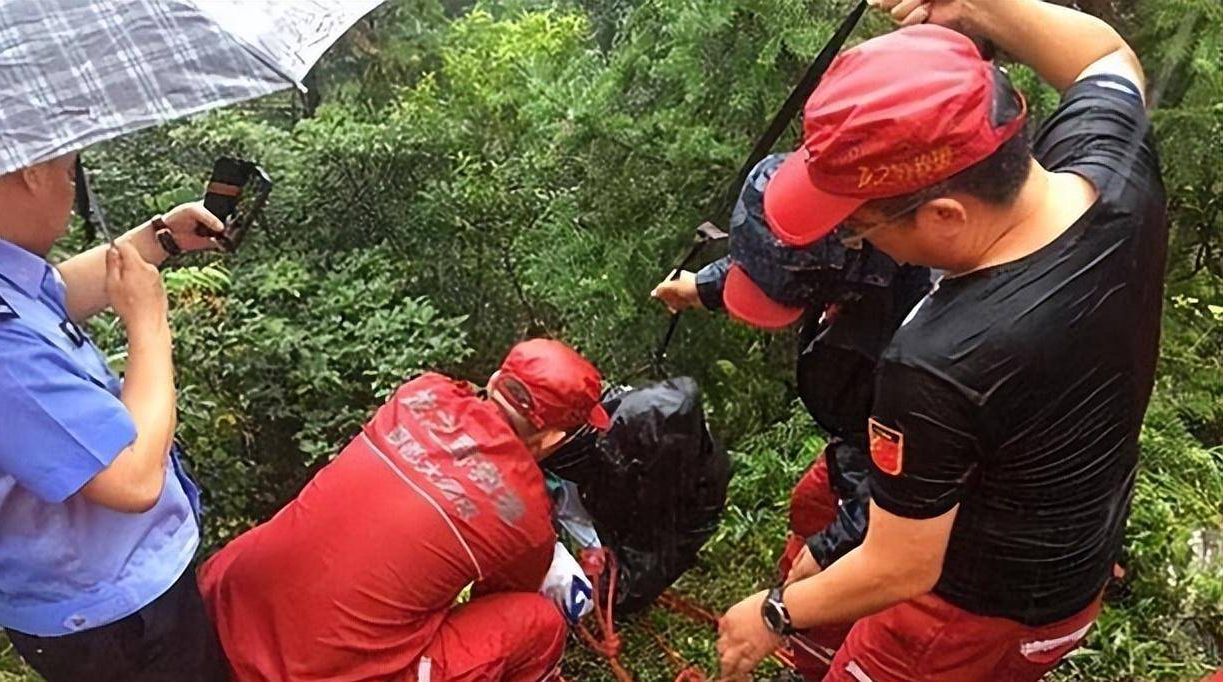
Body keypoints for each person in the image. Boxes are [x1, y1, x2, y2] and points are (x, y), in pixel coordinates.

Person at [715, 1, 1166, 680]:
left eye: (859, 227)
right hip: (1072, 559)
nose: (856, 243)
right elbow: (1105, 58)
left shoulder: (939, 358)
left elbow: (900, 564)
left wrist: (775, 612)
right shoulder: (1116, 178)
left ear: (945, 215)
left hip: (969, 615)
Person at [0, 153, 229, 681]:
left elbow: (48, 299)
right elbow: (133, 476)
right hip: (114, 618)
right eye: (69, 173)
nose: (70, 190)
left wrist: (158, 238)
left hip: (111, 592)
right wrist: (150, 326)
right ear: (31, 172)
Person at [653, 153, 932, 676]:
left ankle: (820, 652)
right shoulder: (860, 234)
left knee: (846, 577)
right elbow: (780, 253)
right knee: (811, 503)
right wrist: (702, 288)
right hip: (866, 441)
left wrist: (800, 588)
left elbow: (894, 484)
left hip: (928, 504)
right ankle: (809, 635)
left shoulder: (919, 349)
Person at [198, 338, 611, 682]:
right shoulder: (524, 513)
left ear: (495, 380)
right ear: (553, 438)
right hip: (305, 672)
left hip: (223, 600)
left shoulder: (421, 391)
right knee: (539, 623)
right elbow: (505, 595)